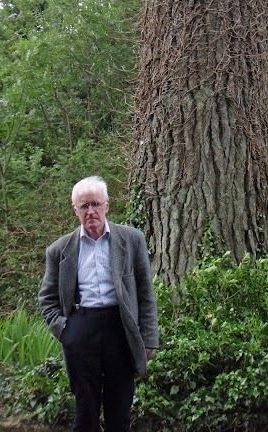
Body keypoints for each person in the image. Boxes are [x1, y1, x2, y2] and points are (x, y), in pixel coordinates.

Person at [38, 175, 159, 432]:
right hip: (81, 328)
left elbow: (145, 292)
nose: (90, 211)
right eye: (84, 206)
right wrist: (65, 331)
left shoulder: (131, 239)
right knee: (85, 408)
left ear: (106, 205)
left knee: (120, 406)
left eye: (95, 204)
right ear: (75, 210)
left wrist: (148, 338)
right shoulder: (59, 250)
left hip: (121, 327)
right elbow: (46, 299)